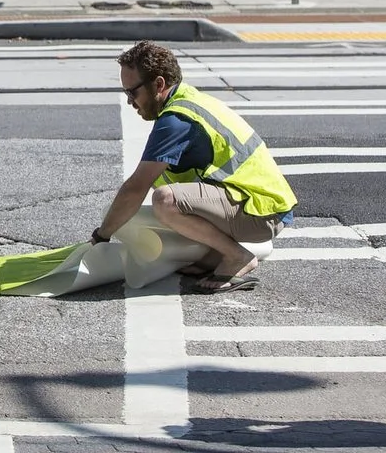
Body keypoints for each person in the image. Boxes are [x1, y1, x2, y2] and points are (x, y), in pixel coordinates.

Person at [93, 40, 298, 294]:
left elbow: (136, 188)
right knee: (172, 205)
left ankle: (237, 256)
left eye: (132, 92)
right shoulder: (188, 99)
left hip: (261, 212)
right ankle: (214, 253)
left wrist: (101, 236)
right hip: (257, 205)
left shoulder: (176, 121)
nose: (129, 102)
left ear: (158, 84)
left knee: (166, 201)